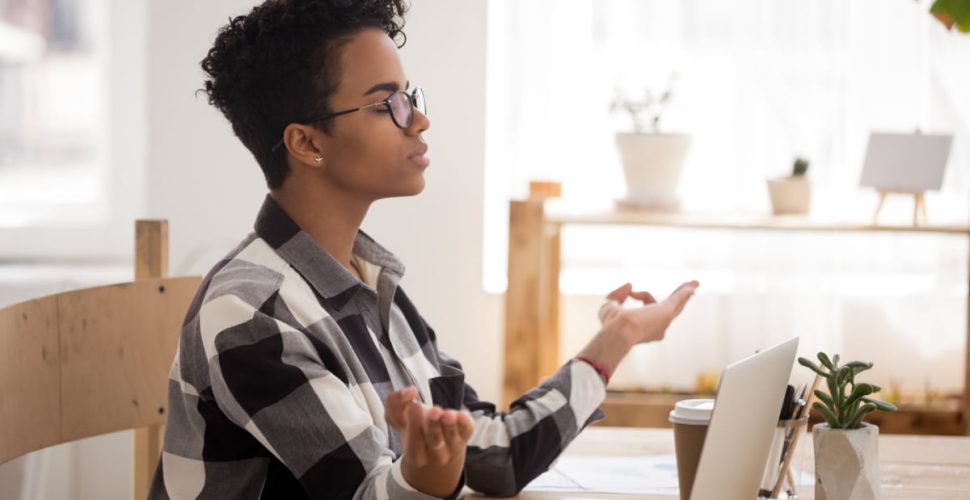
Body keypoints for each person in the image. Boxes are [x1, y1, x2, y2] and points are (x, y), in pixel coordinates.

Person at [148, 1, 699, 498]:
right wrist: (426, 476)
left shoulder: (367, 280)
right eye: (387, 103)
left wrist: (616, 338)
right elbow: (371, 493)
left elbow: (497, 452)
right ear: (308, 143)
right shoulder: (253, 314)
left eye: (408, 97)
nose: (419, 120)